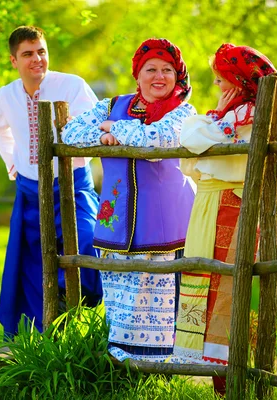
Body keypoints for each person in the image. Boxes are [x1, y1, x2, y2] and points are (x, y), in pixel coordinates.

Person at [63, 38, 195, 362]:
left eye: (167, 69)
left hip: (166, 226)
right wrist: (103, 133)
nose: (159, 76)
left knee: (164, 303)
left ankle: (163, 370)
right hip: (115, 222)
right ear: (137, 74)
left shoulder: (183, 112)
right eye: (151, 69)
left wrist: (115, 129)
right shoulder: (111, 105)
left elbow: (156, 141)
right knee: (123, 305)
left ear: (178, 76)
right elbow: (69, 133)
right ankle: (121, 368)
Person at [173, 43, 277, 396]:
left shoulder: (246, 120)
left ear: (237, 81)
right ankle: (221, 381)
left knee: (225, 292)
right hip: (208, 203)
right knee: (207, 287)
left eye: (221, 80)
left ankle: (228, 384)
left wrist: (214, 121)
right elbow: (189, 152)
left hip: (229, 206)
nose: (216, 87)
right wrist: (215, 118)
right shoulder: (229, 119)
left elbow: (189, 140)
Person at [0, 26, 103, 336]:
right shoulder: (5, 95)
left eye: (41, 51)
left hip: (73, 183)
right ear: (14, 60)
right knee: (33, 261)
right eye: (27, 54)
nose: (37, 59)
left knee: (89, 242)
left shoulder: (71, 86)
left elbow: (93, 126)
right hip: (29, 189)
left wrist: (78, 159)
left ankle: (79, 313)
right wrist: (13, 161)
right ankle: (43, 333)